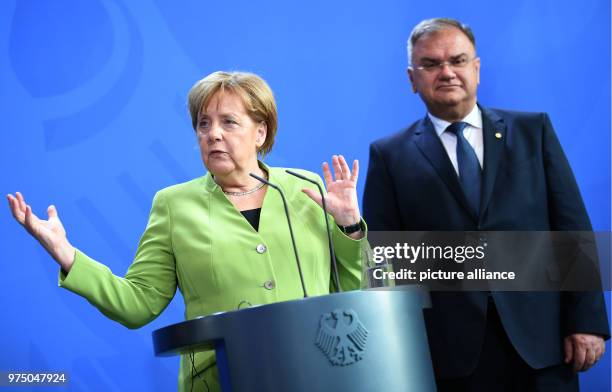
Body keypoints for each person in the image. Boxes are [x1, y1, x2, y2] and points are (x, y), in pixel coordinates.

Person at [7, 71, 368, 392]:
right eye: (203, 124)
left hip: (315, 373)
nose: (213, 134)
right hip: (220, 380)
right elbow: (137, 304)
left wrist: (349, 225)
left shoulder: (305, 188)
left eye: (229, 122)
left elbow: (354, 294)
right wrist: (66, 254)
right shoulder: (174, 205)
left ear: (261, 132)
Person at [363, 18, 609, 391]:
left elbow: (571, 229)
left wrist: (587, 321)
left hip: (543, 342)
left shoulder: (533, 131)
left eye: (458, 61)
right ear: (412, 78)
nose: (446, 72)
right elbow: (384, 257)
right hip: (451, 352)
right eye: (430, 64)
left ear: (476, 69)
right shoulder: (389, 155)